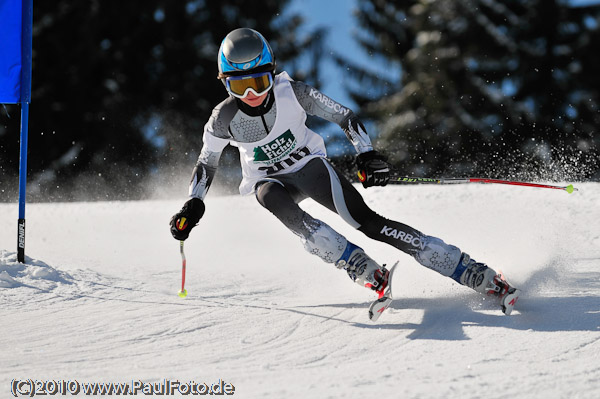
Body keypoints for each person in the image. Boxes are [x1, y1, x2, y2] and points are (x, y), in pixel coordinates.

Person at [170, 28, 518, 313]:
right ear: (225, 84)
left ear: (271, 74)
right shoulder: (224, 118)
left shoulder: (293, 93)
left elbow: (344, 116)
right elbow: (207, 161)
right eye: (238, 86)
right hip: (270, 180)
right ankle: (358, 265)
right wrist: (193, 203)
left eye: (258, 83)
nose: (251, 95)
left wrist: (366, 154)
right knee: (270, 199)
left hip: (310, 168)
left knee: (367, 222)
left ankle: (467, 268)